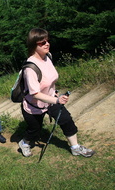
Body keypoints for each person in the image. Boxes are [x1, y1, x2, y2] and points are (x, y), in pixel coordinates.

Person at [18, 28, 95, 157]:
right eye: (42, 43)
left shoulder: (48, 56)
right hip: (34, 106)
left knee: (66, 120)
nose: (47, 44)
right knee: (34, 131)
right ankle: (24, 143)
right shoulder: (30, 68)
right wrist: (57, 100)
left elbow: (50, 79)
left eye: (47, 41)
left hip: (51, 100)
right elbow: (35, 94)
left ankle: (75, 147)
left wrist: (54, 94)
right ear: (33, 45)